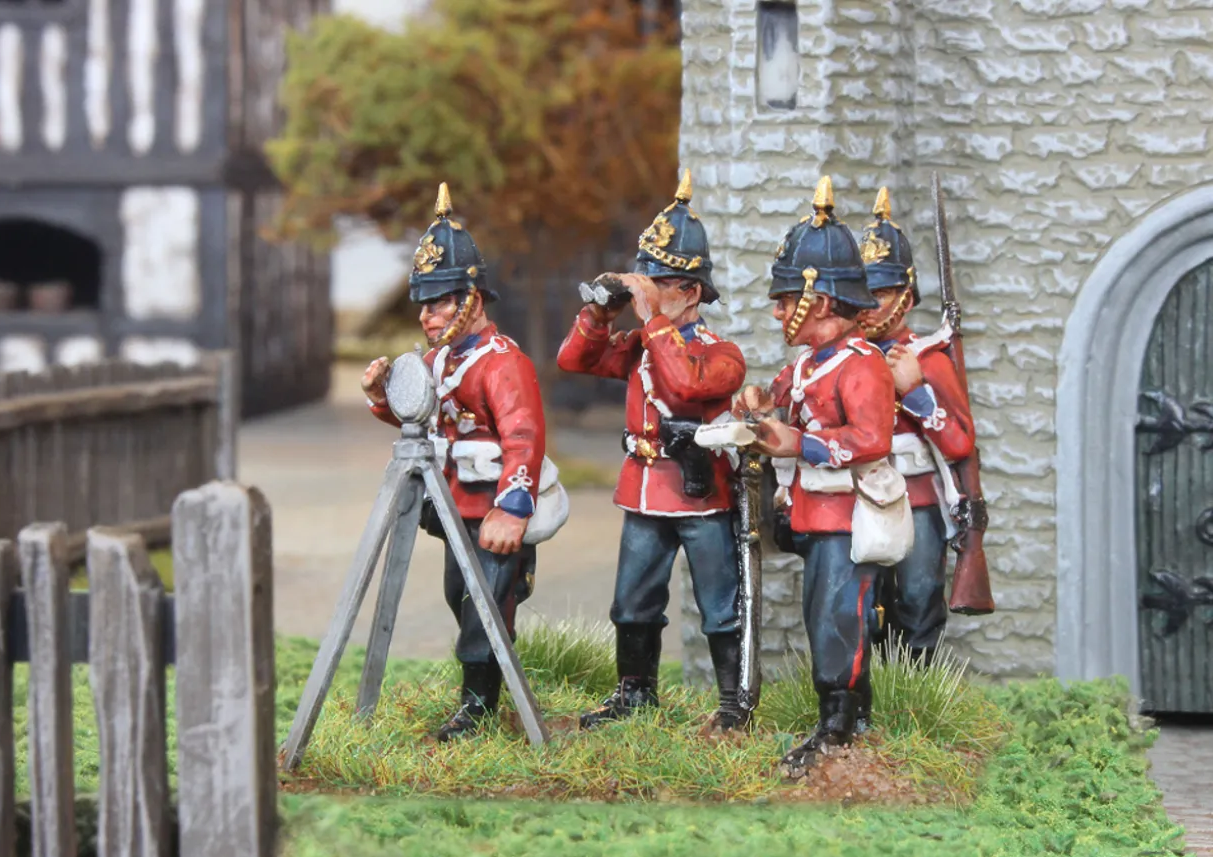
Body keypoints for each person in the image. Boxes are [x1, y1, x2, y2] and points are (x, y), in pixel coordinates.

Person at [360, 183, 563, 742]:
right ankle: (487, 694)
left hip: (494, 506)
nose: (427, 316)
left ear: (471, 301)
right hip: (455, 507)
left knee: (484, 607)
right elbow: (422, 424)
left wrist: (513, 509)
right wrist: (382, 399)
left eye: (440, 303)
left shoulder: (503, 364)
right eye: (424, 305)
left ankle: (478, 708)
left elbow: (524, 439)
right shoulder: (438, 362)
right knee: (461, 595)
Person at [556, 169, 750, 732]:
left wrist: (653, 324)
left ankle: (733, 705)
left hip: (699, 494)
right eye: (645, 279)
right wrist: (599, 315)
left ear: (690, 292)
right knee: (632, 603)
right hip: (644, 491)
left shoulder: (721, 353)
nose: (647, 290)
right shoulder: (646, 345)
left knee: (719, 606)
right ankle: (634, 693)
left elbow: (687, 386)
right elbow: (575, 361)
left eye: (659, 282)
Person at [734, 177, 897, 770]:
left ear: (819, 302)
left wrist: (799, 442)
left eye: (786, 300)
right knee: (823, 614)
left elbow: (871, 439)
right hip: (811, 510)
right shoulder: (807, 363)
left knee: (837, 618)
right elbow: (779, 395)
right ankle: (847, 717)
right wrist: (758, 402)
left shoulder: (863, 364)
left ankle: (840, 723)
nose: (779, 311)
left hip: (846, 513)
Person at [857, 186, 975, 679]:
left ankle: (914, 695)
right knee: (861, 601)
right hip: (860, 492)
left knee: (919, 598)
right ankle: (861, 696)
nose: (866, 306)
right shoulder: (848, 359)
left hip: (918, 494)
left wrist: (917, 391)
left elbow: (959, 441)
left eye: (879, 294)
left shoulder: (927, 359)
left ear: (904, 299)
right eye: (860, 293)